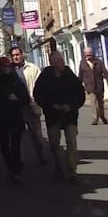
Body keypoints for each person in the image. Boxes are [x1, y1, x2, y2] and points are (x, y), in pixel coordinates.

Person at [34, 46, 87, 182]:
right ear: (52, 63)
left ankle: (72, 171)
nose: (61, 63)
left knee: (71, 142)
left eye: (62, 60)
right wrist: (52, 106)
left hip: (69, 115)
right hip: (53, 116)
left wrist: (70, 106)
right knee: (54, 144)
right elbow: (38, 95)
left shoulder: (69, 75)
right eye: (58, 61)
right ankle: (59, 167)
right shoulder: (45, 76)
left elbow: (79, 94)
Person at [0, 56, 33, 183]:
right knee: (4, 145)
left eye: (7, 67)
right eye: (3, 67)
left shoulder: (16, 81)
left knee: (16, 144)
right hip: (1, 118)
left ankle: (16, 171)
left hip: (15, 117)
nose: (5, 69)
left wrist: (17, 98)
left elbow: (26, 99)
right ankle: (11, 166)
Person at [10, 44, 47, 164]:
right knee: (17, 136)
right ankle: (19, 159)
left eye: (17, 54)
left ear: (22, 55)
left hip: (31, 105)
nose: (15, 57)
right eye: (13, 55)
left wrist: (37, 100)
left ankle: (41, 156)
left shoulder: (33, 68)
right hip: (16, 108)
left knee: (36, 135)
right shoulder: (9, 71)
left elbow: (41, 86)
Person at [79, 47, 108, 125]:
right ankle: (95, 118)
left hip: (99, 85)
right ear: (84, 54)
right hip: (89, 86)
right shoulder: (82, 63)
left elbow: (105, 72)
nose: (88, 55)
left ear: (92, 53)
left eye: (89, 53)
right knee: (93, 102)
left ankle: (102, 117)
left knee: (100, 103)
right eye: (86, 53)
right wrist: (78, 86)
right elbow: (80, 75)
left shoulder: (98, 62)